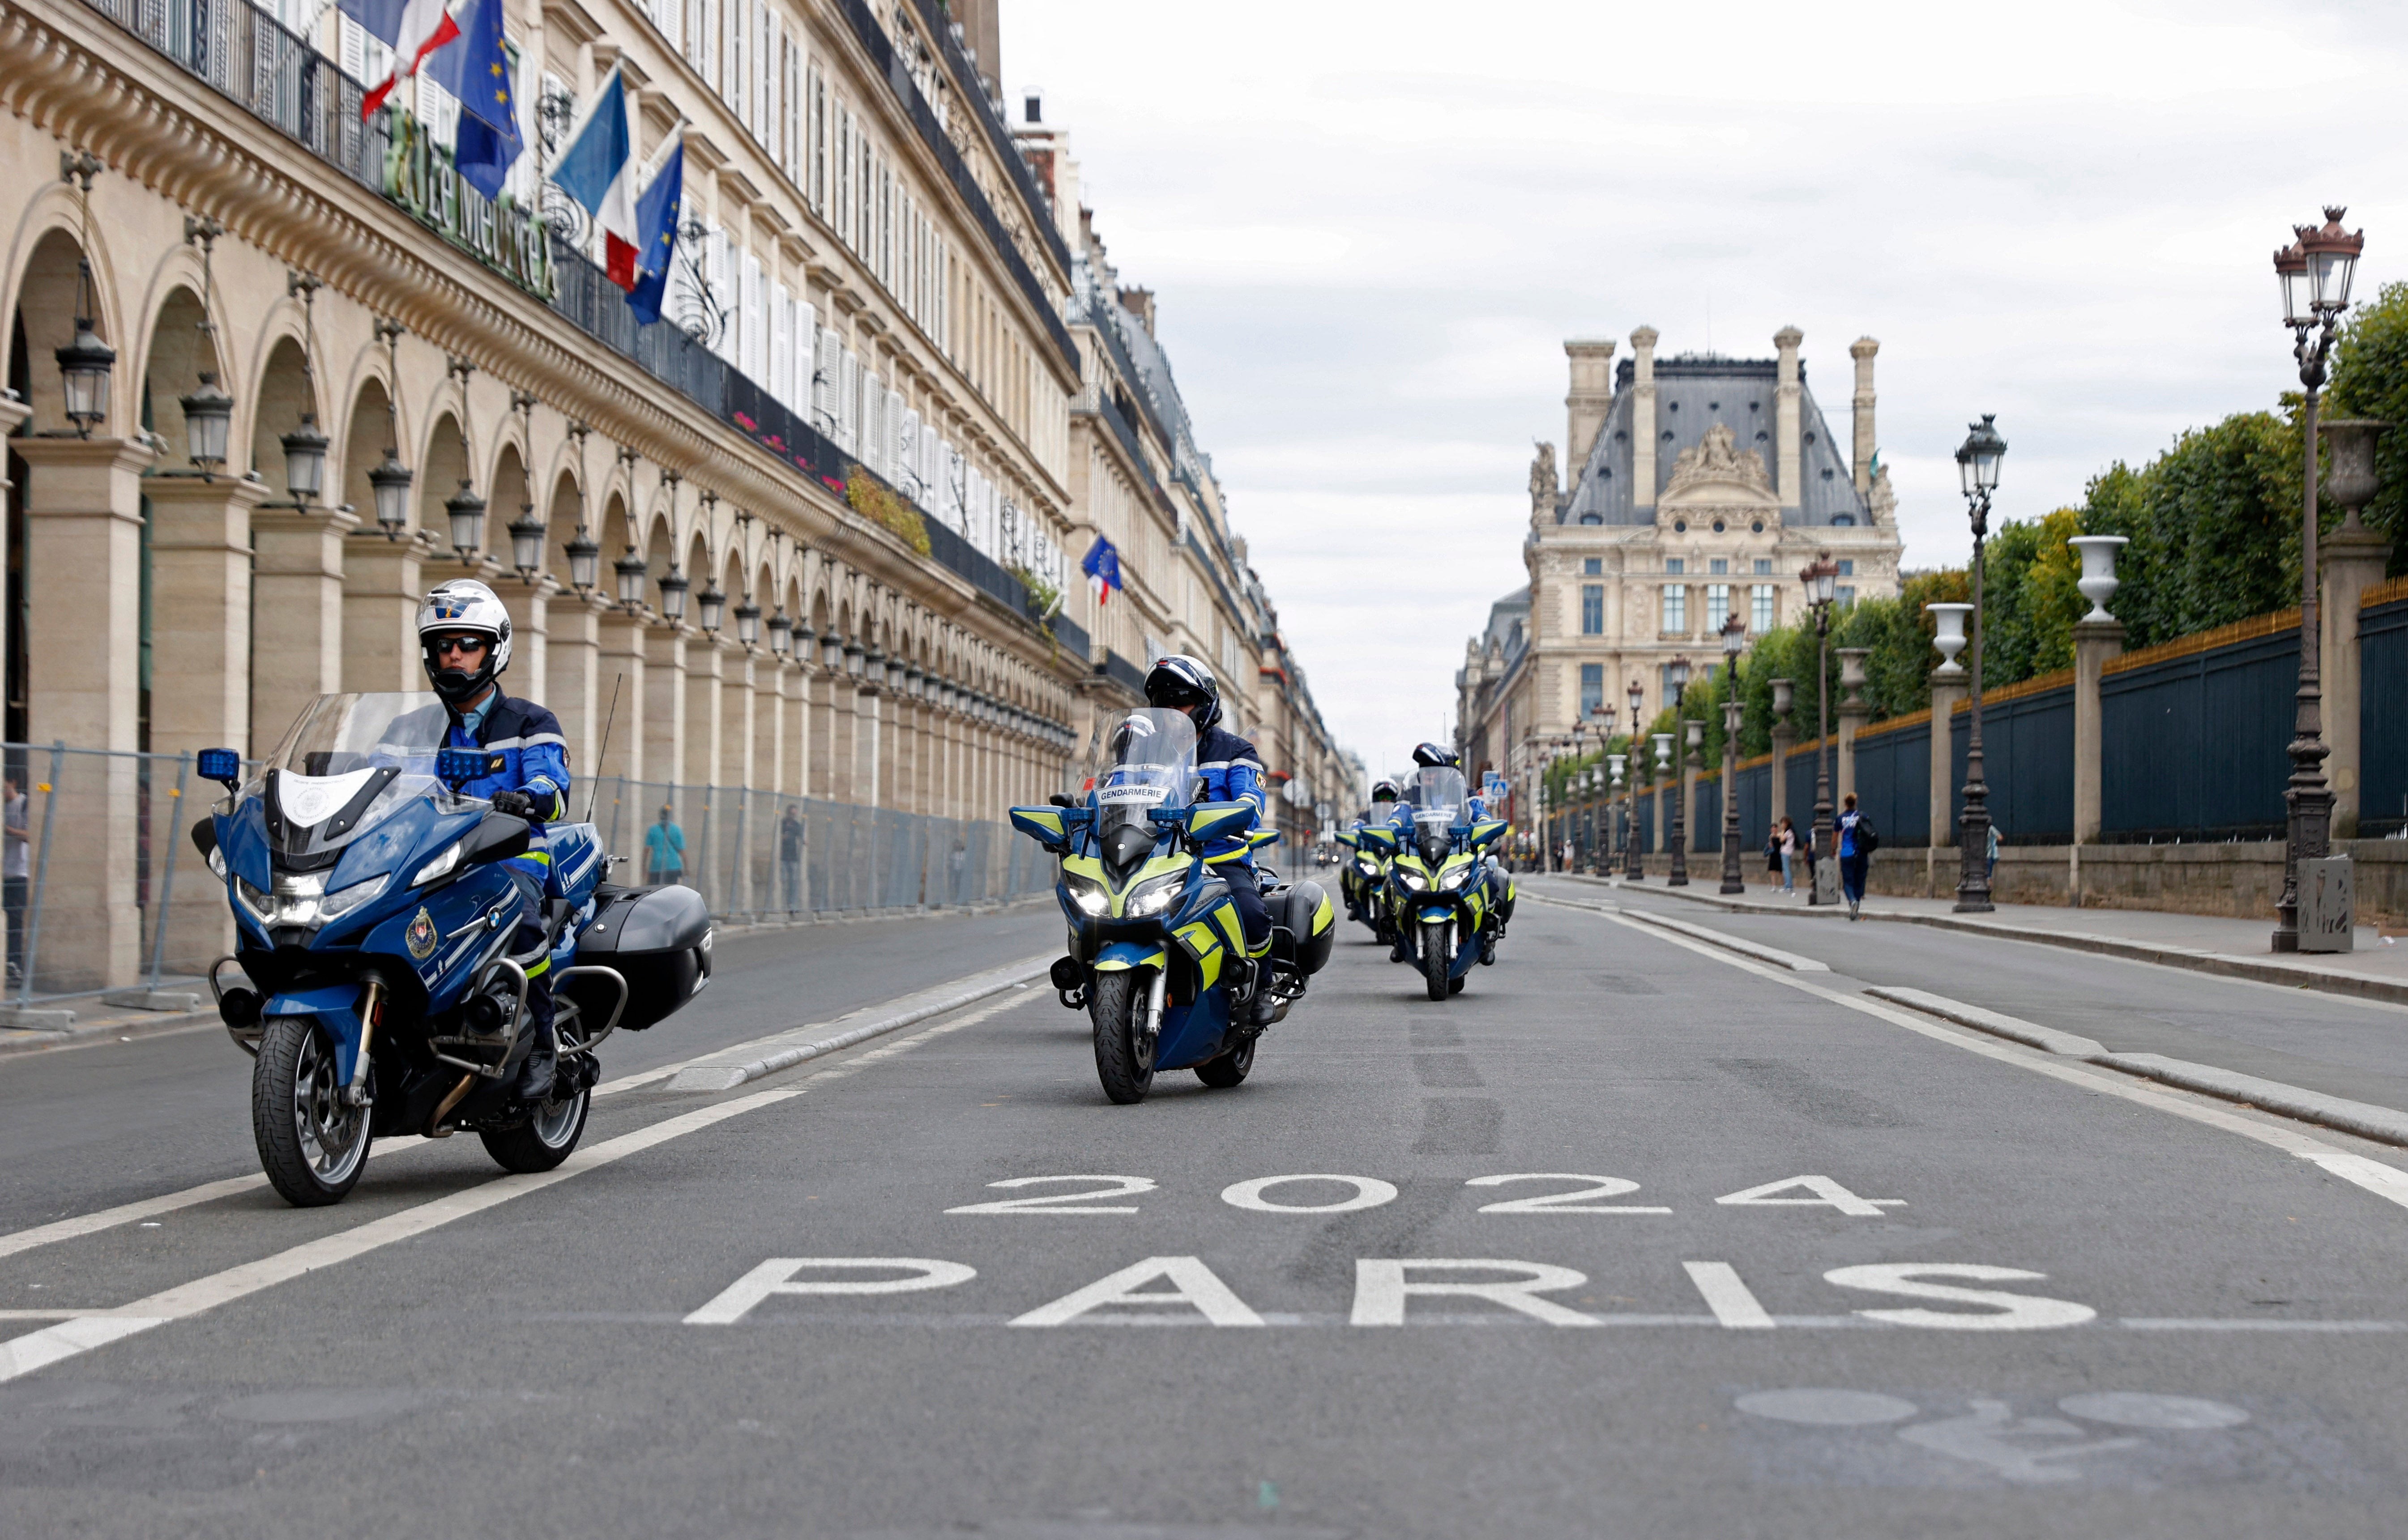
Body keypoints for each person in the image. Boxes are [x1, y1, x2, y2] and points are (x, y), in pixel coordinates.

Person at [414, 578, 570, 1101]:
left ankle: (542, 1042)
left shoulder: (530, 721)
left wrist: (529, 797)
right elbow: (375, 778)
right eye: (444, 645)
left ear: (494, 649)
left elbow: (553, 787)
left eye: (467, 644)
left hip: (512, 860)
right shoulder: (413, 728)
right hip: (431, 863)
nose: (454, 655)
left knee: (522, 923)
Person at [1143, 654, 1277, 1028]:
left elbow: (1251, 801)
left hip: (1219, 859)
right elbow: (1117, 792)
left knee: (1251, 915)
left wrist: (1240, 810)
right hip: (1157, 859)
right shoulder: (1144, 750)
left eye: (1181, 700)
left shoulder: (1235, 750)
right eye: (1164, 702)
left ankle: (1262, 986)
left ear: (1205, 704)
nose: (1174, 710)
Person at [2, 774, 26, 985]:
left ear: (13, 783)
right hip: (4, 873)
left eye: (5, 787)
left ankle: (15, 963)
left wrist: (8, 830)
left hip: (19, 872)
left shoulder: (24, 804)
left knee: (16, 920)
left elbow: (31, 836)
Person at [1837, 793, 1873, 919]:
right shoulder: (1863, 816)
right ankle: (1856, 907)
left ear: (1845, 803)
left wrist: (1832, 850)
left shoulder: (1840, 818)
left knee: (1848, 881)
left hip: (1847, 852)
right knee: (1859, 880)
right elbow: (1870, 832)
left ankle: (1852, 901)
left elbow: (1835, 836)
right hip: (1862, 852)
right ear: (1855, 802)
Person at [645, 804, 686, 886]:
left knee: (654, 892)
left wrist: (644, 867)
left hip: (656, 867)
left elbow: (646, 850)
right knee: (671, 892)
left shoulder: (653, 830)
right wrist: (687, 867)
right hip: (673, 866)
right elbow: (682, 852)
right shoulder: (677, 830)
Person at [778, 803, 805, 913]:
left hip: (793, 856)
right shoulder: (782, 824)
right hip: (783, 856)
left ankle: (791, 905)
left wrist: (804, 841)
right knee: (783, 881)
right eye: (792, 813)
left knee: (793, 882)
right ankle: (783, 904)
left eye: (795, 813)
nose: (793, 815)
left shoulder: (796, 825)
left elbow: (801, 837)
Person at [1777, 816, 1797, 897]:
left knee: (1786, 869)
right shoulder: (1791, 831)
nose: (1782, 825)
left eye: (1783, 823)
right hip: (1788, 851)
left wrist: (1782, 831)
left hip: (1786, 851)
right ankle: (1788, 885)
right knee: (1786, 868)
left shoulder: (1789, 831)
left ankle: (1788, 886)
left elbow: (1782, 840)